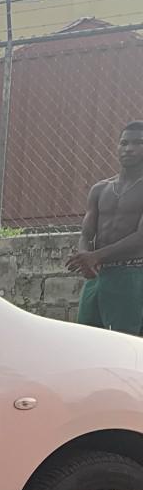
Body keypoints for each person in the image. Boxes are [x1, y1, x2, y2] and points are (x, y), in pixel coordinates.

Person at [69, 122, 143, 333]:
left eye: (138, 143)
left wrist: (95, 257)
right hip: (98, 275)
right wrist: (85, 258)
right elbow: (86, 233)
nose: (129, 148)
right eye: (124, 143)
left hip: (132, 273)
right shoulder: (100, 189)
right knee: (87, 336)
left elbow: (140, 237)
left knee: (125, 341)